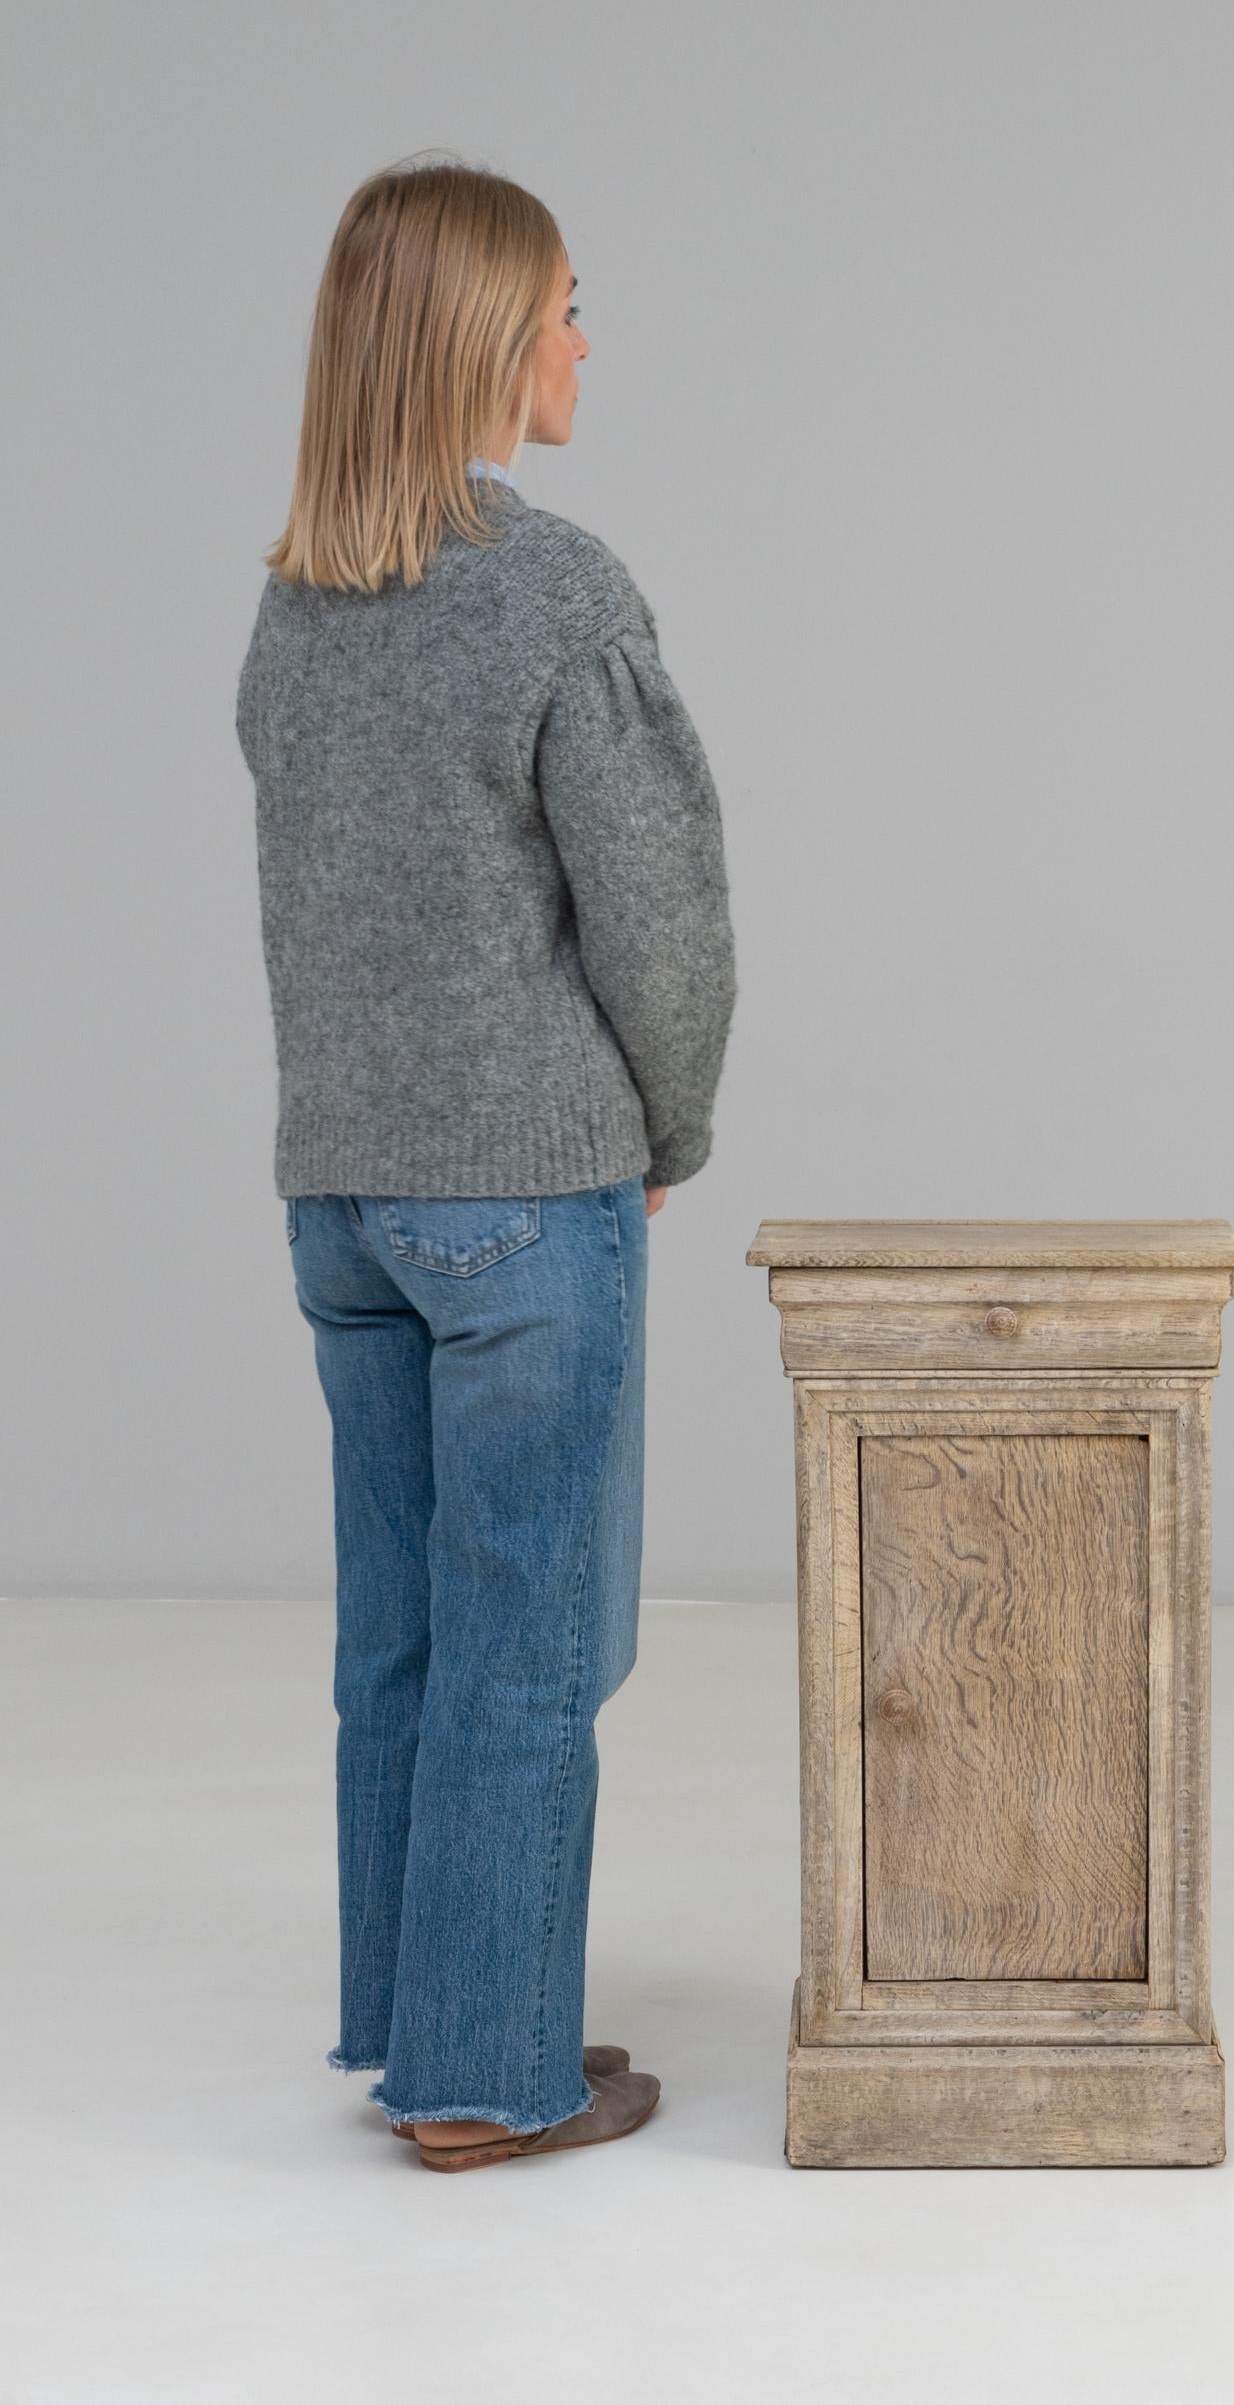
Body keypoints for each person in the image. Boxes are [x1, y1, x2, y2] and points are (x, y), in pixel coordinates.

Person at [234, 155, 738, 2173]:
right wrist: (672, 1123)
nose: (582, 344)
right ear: (481, 341)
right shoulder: (552, 586)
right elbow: (662, 914)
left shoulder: (296, 602)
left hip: (341, 1194)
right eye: (562, 310)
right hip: (527, 1188)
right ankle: (484, 2076)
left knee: (406, 1636)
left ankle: (413, 2014)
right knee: (535, 1638)